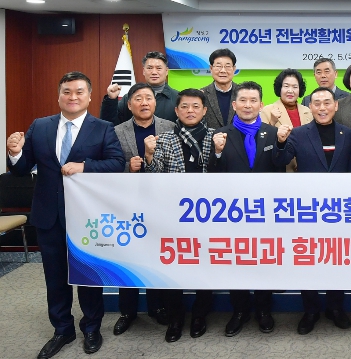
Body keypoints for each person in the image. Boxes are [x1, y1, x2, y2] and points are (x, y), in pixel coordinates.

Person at [6, 71, 125, 358]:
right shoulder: (40, 126)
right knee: (55, 277)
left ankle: (92, 327)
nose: (73, 97)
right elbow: (22, 169)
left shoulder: (103, 128)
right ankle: (62, 329)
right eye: (67, 91)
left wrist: (85, 166)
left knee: (87, 275)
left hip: (86, 217)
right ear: (59, 96)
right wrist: (15, 153)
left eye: (79, 92)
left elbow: (117, 162)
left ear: (89, 96)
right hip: (48, 215)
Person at [275, 87, 351, 334]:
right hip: (308, 210)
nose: (322, 108)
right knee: (308, 260)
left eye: (327, 103)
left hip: (340, 210)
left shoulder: (348, 134)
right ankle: (310, 310)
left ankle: (335, 307)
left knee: (337, 259)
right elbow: (280, 161)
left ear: (336, 106)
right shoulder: (298, 134)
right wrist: (280, 142)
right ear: (310, 107)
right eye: (317, 103)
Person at [208, 81, 283, 337]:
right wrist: (218, 153)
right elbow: (212, 175)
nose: (248, 105)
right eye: (243, 100)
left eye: (253, 101)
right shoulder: (220, 134)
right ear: (234, 105)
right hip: (234, 212)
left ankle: (264, 310)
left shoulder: (273, 133)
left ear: (261, 105)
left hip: (266, 211)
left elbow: (280, 171)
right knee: (236, 261)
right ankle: (239, 311)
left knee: (264, 260)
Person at [144, 88, 216, 343]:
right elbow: (153, 178)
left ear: (204, 110)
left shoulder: (215, 138)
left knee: (205, 266)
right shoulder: (164, 139)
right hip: (172, 215)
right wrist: (149, 156)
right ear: (176, 110)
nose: (190, 111)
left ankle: (200, 315)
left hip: (207, 215)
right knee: (172, 267)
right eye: (184, 106)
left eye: (196, 106)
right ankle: (175, 318)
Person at [111, 83, 175, 336]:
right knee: (129, 257)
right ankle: (127, 311)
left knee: (157, 257)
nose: (144, 102)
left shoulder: (170, 127)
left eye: (149, 97)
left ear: (155, 103)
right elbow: (110, 163)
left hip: (161, 204)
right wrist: (128, 167)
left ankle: (157, 306)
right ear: (129, 105)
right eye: (138, 98)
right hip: (129, 204)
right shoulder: (117, 131)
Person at [100, 51, 179, 124]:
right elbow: (109, 124)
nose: (154, 72)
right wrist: (111, 100)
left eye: (159, 68)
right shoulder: (130, 97)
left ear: (166, 71)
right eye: (149, 68)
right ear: (143, 71)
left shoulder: (177, 98)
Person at [260, 69, 313, 172]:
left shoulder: (307, 111)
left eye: (295, 87)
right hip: (280, 168)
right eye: (286, 86)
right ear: (279, 88)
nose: (290, 91)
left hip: (306, 168)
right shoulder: (268, 110)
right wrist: (272, 122)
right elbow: (263, 143)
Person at [200, 48, 240, 129]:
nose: (223, 70)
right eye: (218, 66)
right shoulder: (201, 95)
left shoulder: (243, 93)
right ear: (211, 68)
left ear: (234, 69)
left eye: (227, 66)